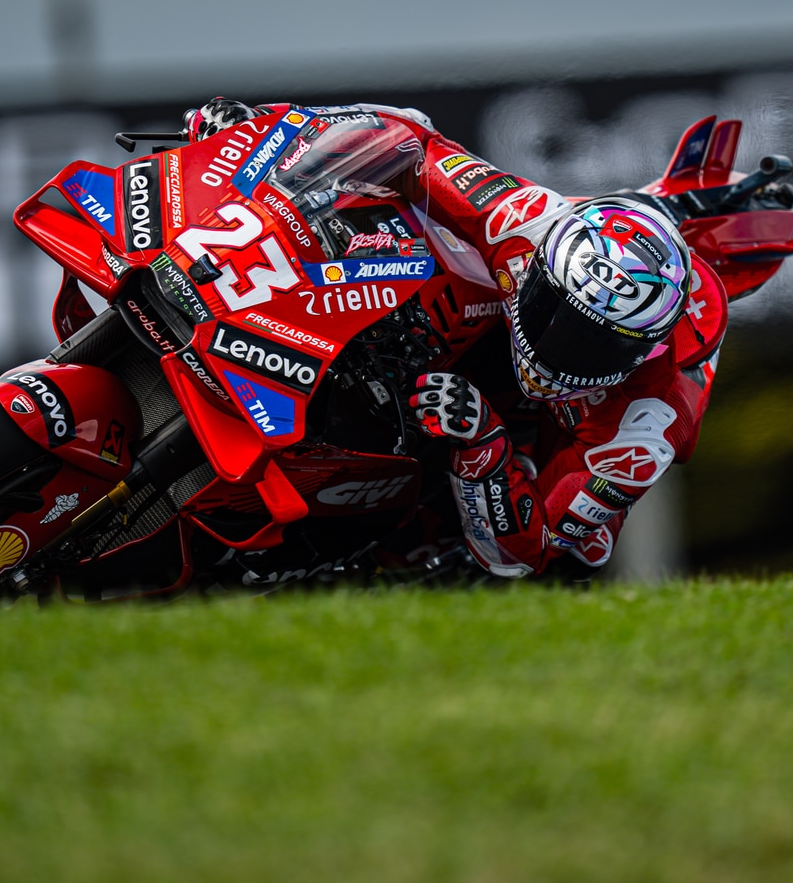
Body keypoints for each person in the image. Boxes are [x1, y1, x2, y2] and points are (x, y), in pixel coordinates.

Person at [186, 98, 728, 579]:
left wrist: (483, 445)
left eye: (594, 344)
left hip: (560, 431)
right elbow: (407, 136)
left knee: (581, 552)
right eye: (555, 312)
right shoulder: (526, 220)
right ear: (542, 268)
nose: (562, 348)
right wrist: (259, 135)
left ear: (645, 348)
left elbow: (526, 551)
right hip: (491, 310)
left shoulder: (649, 422)